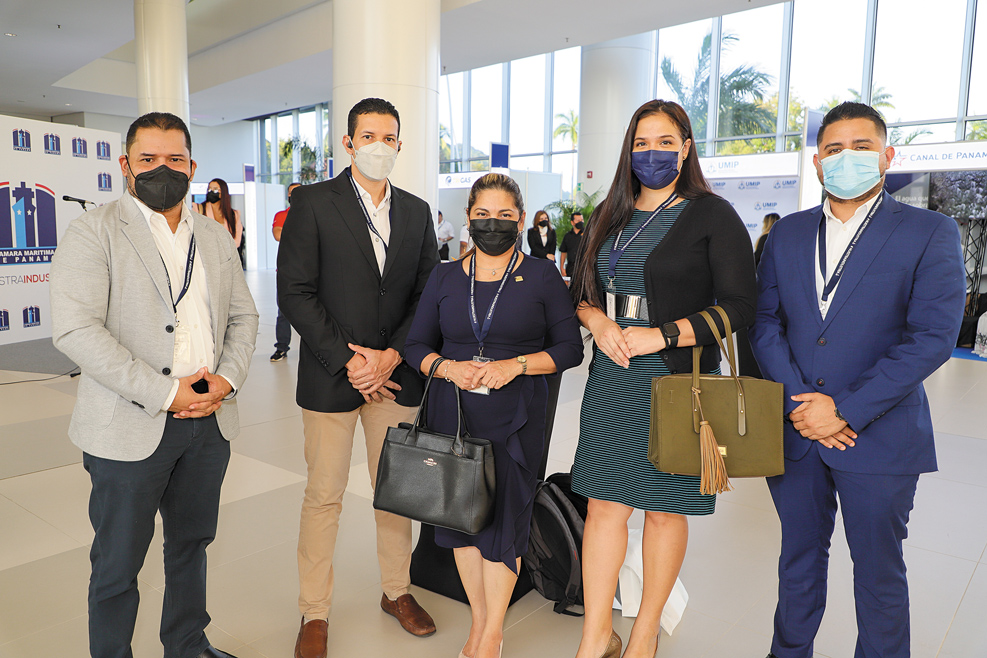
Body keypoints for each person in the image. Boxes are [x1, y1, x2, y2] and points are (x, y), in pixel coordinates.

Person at [749, 102, 965, 658]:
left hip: (880, 434)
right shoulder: (789, 233)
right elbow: (765, 324)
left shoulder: (929, 232)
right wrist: (802, 405)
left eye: (862, 147)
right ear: (818, 163)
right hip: (797, 434)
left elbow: (932, 337)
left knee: (878, 574)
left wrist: (843, 410)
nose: (847, 157)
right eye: (834, 149)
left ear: (887, 156)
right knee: (797, 564)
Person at [49, 112, 259, 658]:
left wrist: (226, 380)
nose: (162, 169)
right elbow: (76, 329)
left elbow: (243, 317)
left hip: (209, 421)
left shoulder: (214, 235)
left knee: (191, 544)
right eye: (148, 159)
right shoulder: (93, 230)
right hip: (128, 426)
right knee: (118, 563)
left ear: (192, 166)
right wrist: (167, 393)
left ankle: (188, 645)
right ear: (126, 165)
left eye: (174, 159)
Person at [569, 99, 756, 658]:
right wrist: (597, 321)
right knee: (603, 505)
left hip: (679, 378)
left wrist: (663, 335)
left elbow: (739, 306)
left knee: (664, 508)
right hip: (613, 374)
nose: (653, 152)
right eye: (642, 143)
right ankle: (595, 636)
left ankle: (645, 632)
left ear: (686, 147)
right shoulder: (610, 213)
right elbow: (580, 291)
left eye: (665, 142)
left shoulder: (711, 214)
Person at [277, 97, 441, 658]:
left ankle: (397, 591)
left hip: (395, 378)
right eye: (367, 136)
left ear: (400, 144)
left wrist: (391, 356)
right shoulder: (313, 203)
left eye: (388, 137)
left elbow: (427, 295)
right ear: (348, 143)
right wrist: (352, 361)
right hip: (332, 375)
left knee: (395, 493)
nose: (378, 146)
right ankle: (314, 612)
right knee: (324, 496)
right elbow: (295, 291)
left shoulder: (417, 211)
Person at [405, 173, 583, 658]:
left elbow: (570, 349)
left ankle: (491, 634)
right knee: (462, 521)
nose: (493, 223)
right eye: (483, 214)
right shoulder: (444, 276)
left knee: (506, 521)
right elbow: (415, 345)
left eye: (505, 215)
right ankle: (480, 622)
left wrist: (516, 365)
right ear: (468, 218)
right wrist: (447, 367)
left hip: (517, 417)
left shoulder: (542, 275)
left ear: (520, 220)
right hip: (454, 414)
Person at [271, 182, 301, 361]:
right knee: (283, 311)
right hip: (286, 270)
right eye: (291, 193)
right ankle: (281, 347)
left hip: (311, 269)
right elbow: (278, 234)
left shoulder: (314, 214)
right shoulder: (281, 215)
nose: (293, 195)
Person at [195, 178, 244, 266]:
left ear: (223, 192)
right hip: (206, 260)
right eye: (209, 189)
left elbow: (237, 240)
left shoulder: (234, 214)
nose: (211, 191)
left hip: (227, 260)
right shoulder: (199, 209)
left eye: (215, 189)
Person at [558, 211, 585, 278]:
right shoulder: (567, 236)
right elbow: (563, 252)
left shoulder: (587, 234)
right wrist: (562, 267)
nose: (580, 222)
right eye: (578, 220)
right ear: (572, 222)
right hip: (571, 268)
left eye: (582, 220)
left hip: (583, 267)